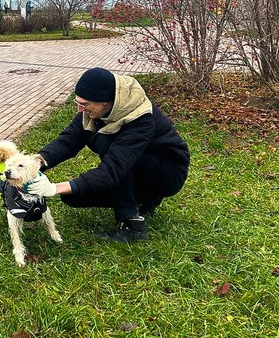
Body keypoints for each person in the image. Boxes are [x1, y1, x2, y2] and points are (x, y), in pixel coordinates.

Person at [27, 67, 190, 241]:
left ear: (106, 101)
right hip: (133, 167)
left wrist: (54, 188)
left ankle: (132, 226)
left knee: (107, 142)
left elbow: (113, 168)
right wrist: (34, 164)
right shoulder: (93, 111)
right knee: (73, 197)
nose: (80, 109)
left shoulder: (141, 117)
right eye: (78, 103)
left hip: (167, 173)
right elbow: (69, 140)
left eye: (85, 104)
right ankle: (145, 200)